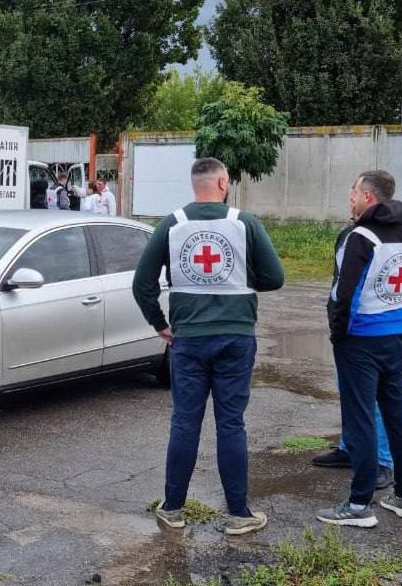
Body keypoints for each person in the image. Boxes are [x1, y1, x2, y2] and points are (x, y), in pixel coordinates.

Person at [132, 157, 285, 536]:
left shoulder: (171, 224)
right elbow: (275, 277)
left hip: (188, 339)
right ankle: (239, 514)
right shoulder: (244, 222)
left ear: (194, 184)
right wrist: (239, 279)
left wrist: (159, 323)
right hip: (236, 337)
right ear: (223, 183)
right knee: (231, 423)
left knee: (185, 421)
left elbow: (142, 283)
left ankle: (172, 508)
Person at [315, 170, 402, 528]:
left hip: (360, 339)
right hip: (397, 335)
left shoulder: (360, 237)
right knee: (397, 416)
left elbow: (342, 295)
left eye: (353, 191)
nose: (350, 197)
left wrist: (338, 334)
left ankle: (359, 504)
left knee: (360, 417)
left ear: (367, 196)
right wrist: (390, 300)